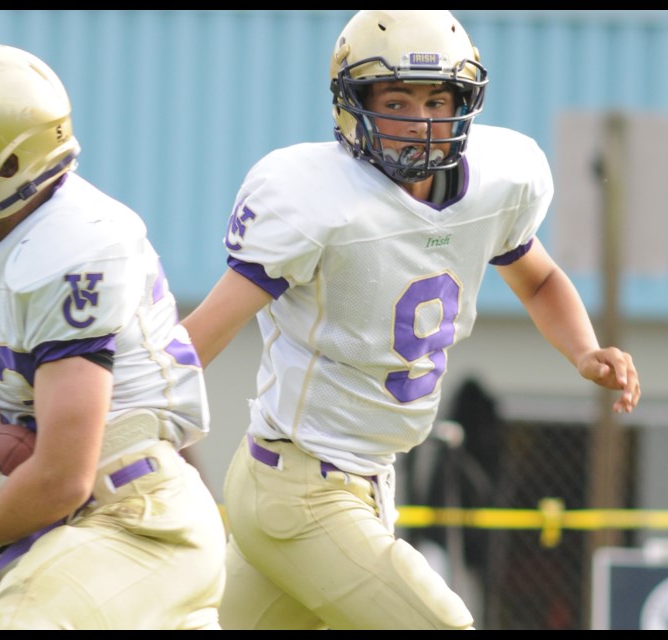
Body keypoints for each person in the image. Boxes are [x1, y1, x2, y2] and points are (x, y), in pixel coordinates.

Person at [179, 9, 642, 631]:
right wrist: (123, 424)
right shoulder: (315, 196)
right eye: (397, 100)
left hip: (361, 483)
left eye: (437, 100)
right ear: (354, 104)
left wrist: (583, 351)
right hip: (301, 488)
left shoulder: (497, 181)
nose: (422, 122)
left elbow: (540, 278)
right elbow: (208, 329)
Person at [0, 44, 226, 629]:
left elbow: (64, 474)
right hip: (32, 490)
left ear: (9, 163)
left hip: (129, 511)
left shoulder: (76, 246)